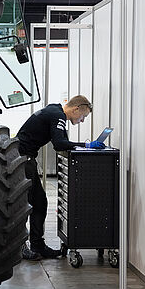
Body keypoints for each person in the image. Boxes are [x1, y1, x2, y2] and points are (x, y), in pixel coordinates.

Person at [16, 95, 104, 260]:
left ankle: (37, 245)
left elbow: (63, 140)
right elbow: (59, 144)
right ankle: (23, 247)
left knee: (39, 202)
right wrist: (87, 145)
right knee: (27, 204)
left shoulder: (55, 111)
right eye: (83, 116)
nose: (82, 120)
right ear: (76, 108)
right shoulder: (57, 115)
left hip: (25, 159)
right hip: (22, 160)